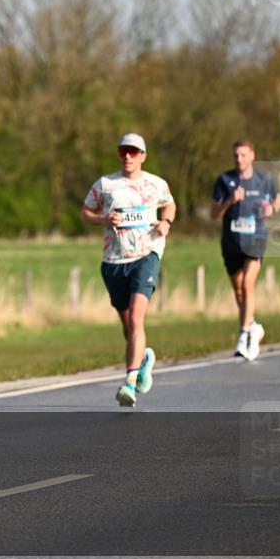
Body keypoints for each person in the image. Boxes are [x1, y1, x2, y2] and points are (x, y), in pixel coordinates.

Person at [81, 134, 176, 407]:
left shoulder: (155, 183)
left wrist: (166, 222)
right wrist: (102, 219)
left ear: (143, 156)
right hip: (113, 260)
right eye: (124, 151)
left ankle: (129, 383)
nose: (128, 157)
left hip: (147, 254)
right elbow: (85, 212)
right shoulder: (105, 184)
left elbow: (169, 203)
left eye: (134, 152)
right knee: (128, 327)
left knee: (136, 319)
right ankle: (143, 359)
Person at [210, 139, 280, 361]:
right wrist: (230, 201)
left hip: (256, 239)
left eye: (243, 155)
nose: (239, 159)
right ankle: (252, 326)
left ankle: (243, 335)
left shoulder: (264, 180)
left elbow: (278, 200)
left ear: (252, 155)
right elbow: (214, 214)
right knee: (239, 291)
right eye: (236, 155)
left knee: (247, 284)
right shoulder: (224, 180)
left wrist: (272, 208)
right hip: (231, 242)